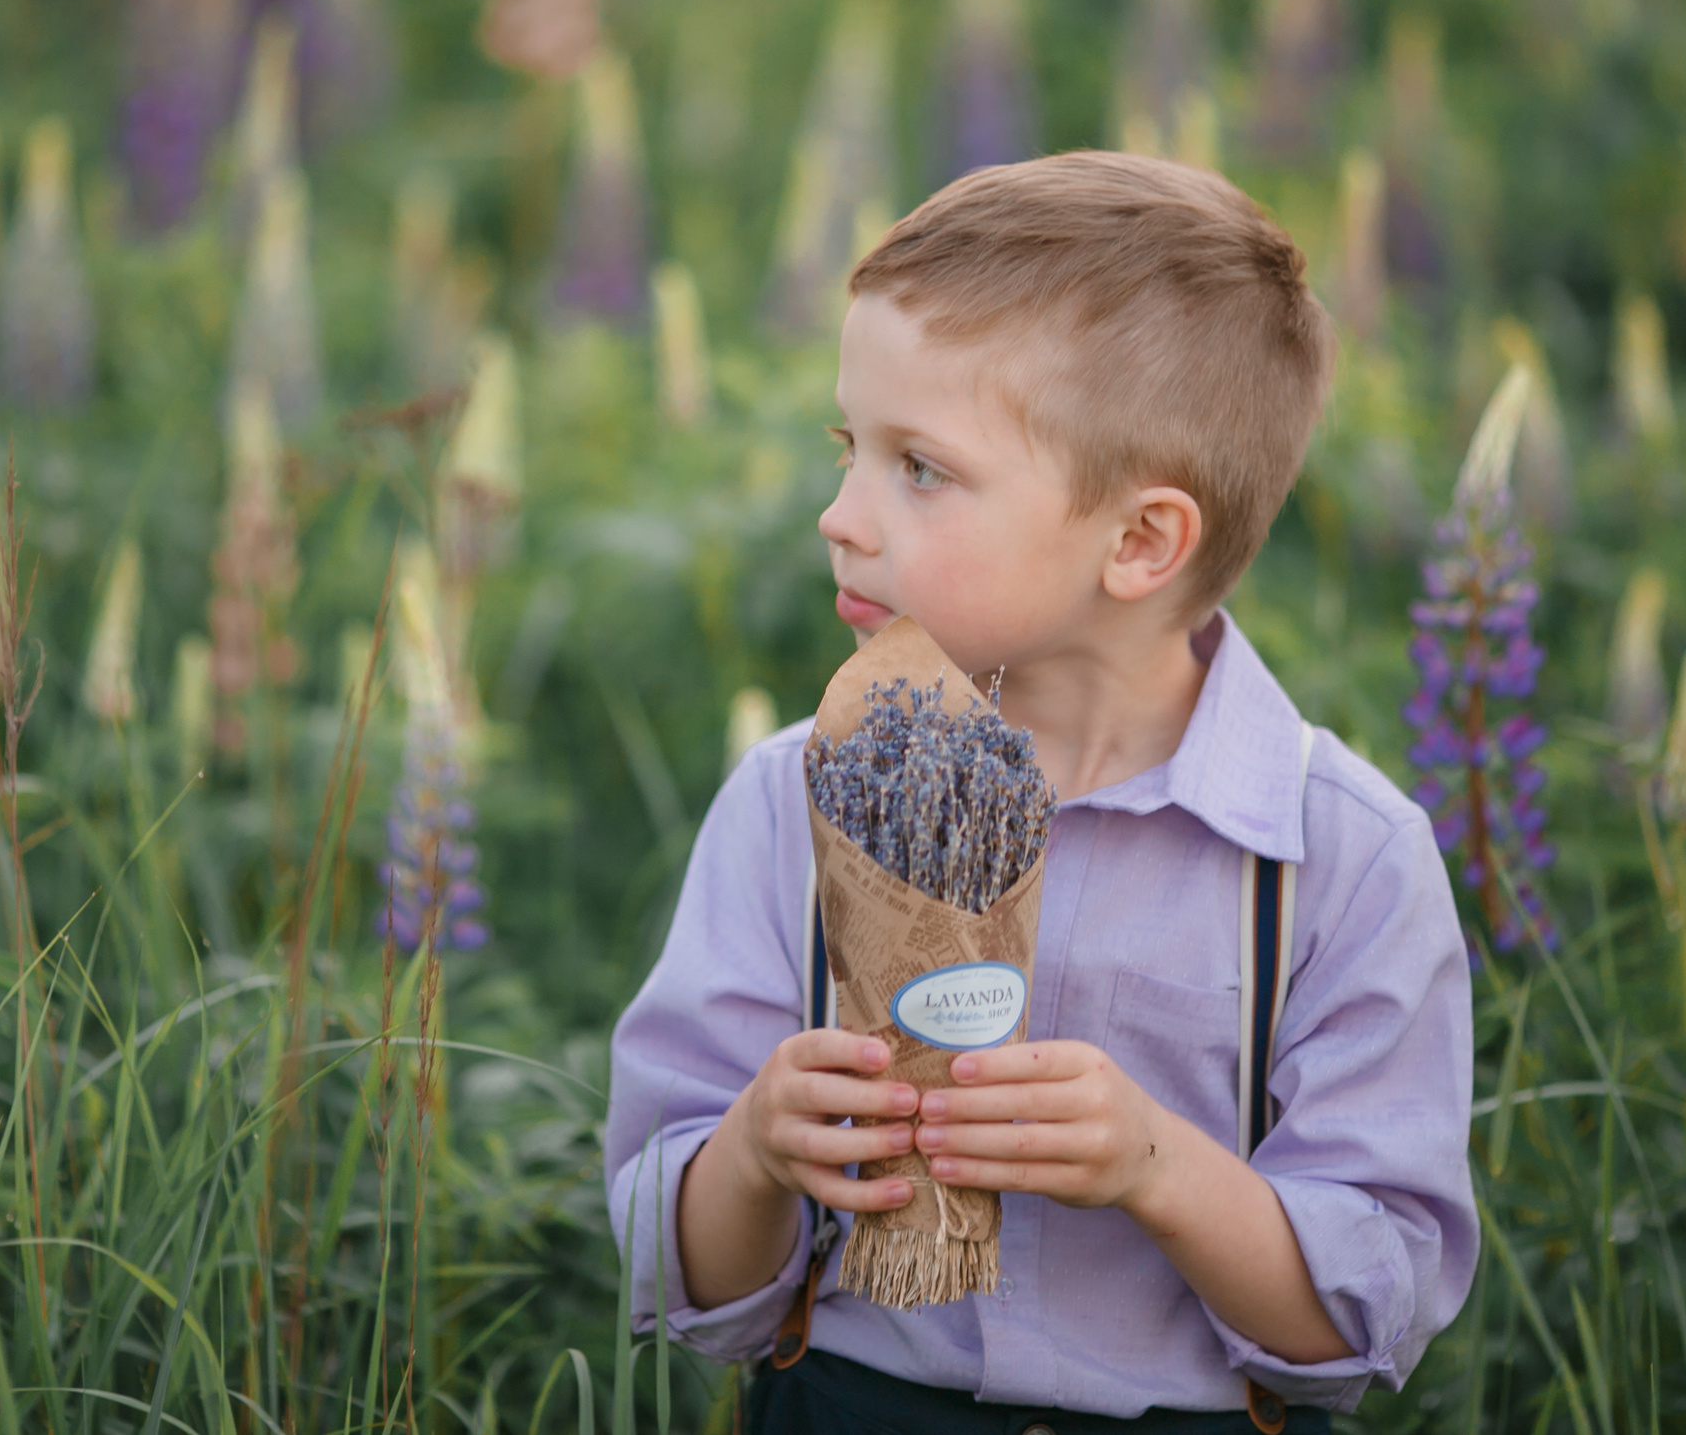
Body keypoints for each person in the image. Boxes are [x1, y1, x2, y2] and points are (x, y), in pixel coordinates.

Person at [607, 151, 1475, 1432]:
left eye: (920, 469)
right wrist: (752, 1151)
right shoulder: (787, 798)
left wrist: (1152, 1164)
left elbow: (1355, 1333)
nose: (840, 516)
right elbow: (680, 1279)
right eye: (850, 449)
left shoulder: (1338, 859)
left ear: (1138, 542)